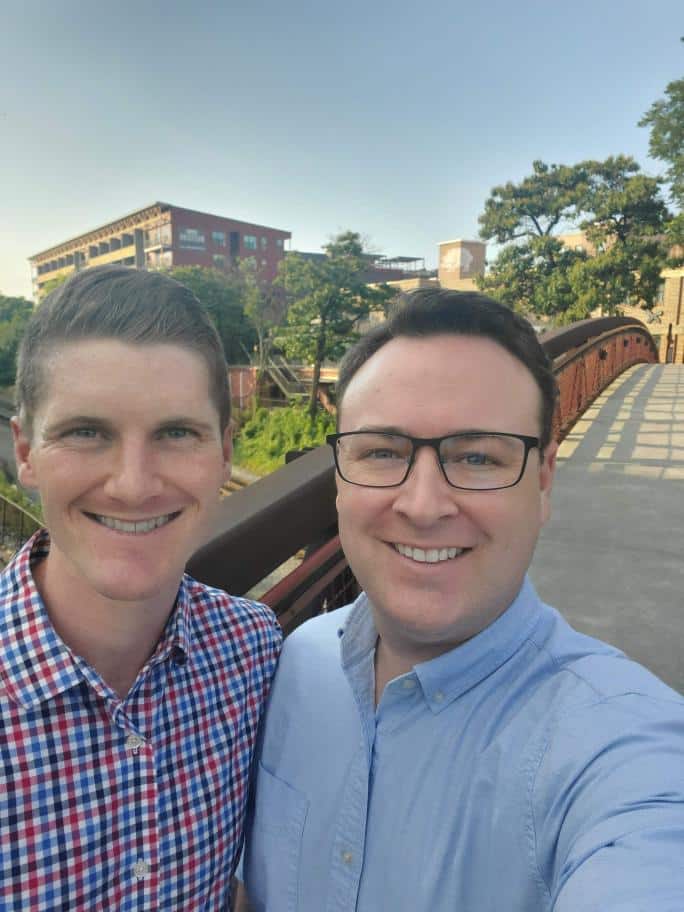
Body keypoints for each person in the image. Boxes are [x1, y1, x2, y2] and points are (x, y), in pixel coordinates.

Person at [240, 289, 684, 911]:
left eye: (477, 456)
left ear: (543, 479)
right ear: (340, 476)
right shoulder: (294, 661)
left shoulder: (619, 745)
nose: (422, 506)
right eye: (382, 452)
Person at [0, 265, 282, 910]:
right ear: (25, 451)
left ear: (222, 452)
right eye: (86, 433)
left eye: (177, 434)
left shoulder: (252, 650)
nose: (133, 484)